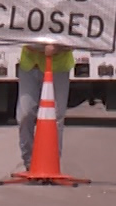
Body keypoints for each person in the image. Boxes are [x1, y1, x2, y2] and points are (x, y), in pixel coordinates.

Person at [15, 41, 74, 173]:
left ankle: (52, 164)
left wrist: (59, 46)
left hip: (58, 66)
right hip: (29, 65)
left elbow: (77, 36)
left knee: (56, 117)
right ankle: (30, 162)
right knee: (25, 114)